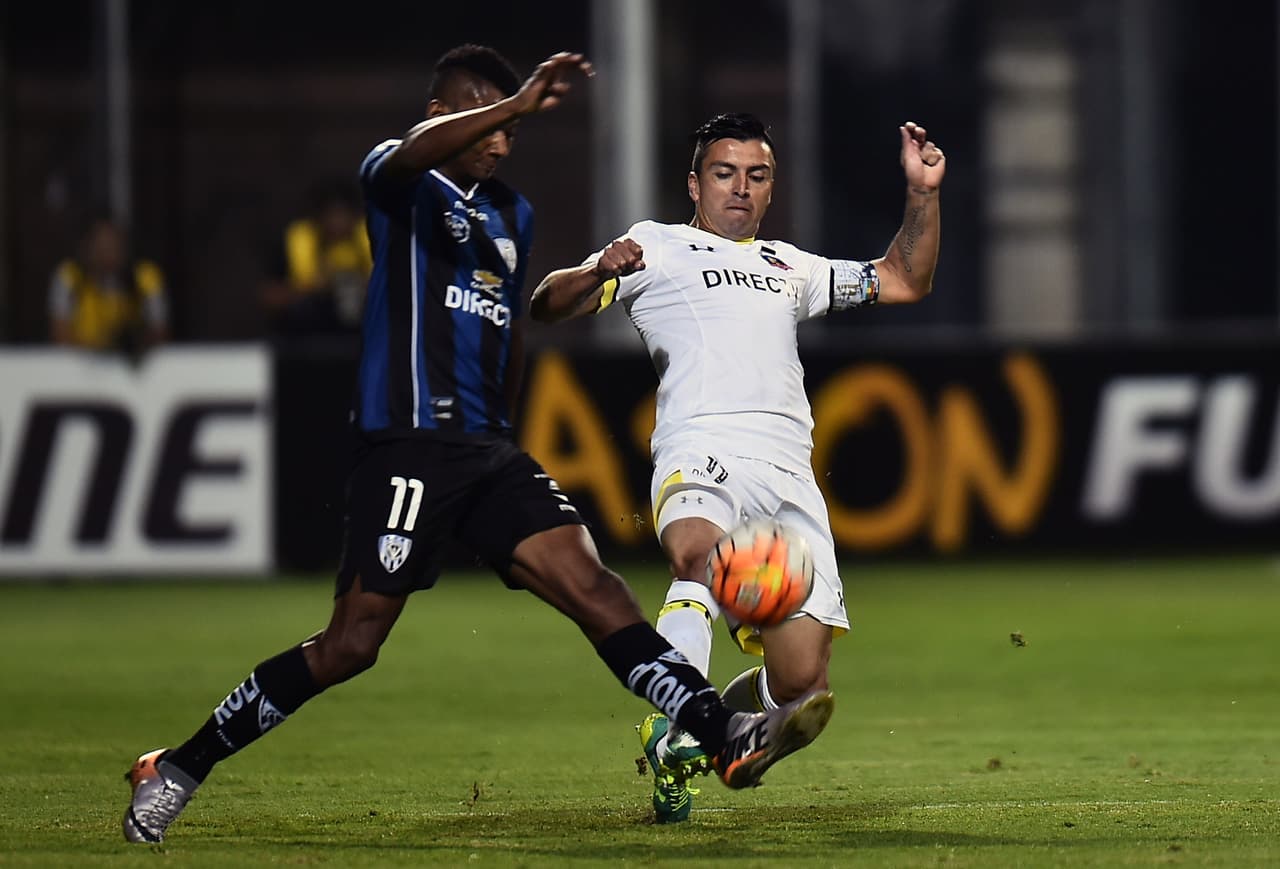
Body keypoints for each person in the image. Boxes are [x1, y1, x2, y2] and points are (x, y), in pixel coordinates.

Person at [121, 50, 834, 844]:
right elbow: (417, 152)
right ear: (440, 111)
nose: (500, 137)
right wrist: (520, 100)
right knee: (351, 643)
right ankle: (180, 765)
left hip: (488, 451)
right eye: (481, 114)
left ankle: (716, 730)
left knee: (598, 592)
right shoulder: (400, 181)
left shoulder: (510, 215)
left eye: (510, 122)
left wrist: (507, 429)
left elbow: (511, 328)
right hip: (408, 449)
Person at [530, 112, 944, 822]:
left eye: (756, 176)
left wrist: (923, 195)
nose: (740, 189)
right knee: (699, 554)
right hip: (702, 446)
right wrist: (600, 268)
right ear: (695, 183)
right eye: (725, 174)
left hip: (789, 476)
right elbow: (546, 305)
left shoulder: (791, 267)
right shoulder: (657, 246)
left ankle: (697, 743)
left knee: (804, 684)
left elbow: (903, 279)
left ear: (771, 187)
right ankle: (674, 713)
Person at [261, 182, 373, 336]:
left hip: (359, 339)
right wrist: (313, 288)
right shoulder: (296, 241)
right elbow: (270, 297)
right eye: (331, 215)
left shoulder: (371, 239)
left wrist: (359, 285)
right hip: (308, 339)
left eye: (342, 214)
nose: (337, 222)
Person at [48, 213, 170, 354]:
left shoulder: (146, 278)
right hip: (81, 364)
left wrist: (134, 345)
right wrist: (99, 349)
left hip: (133, 363)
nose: (107, 256)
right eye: (101, 248)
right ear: (86, 249)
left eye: (113, 247)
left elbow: (159, 332)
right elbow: (60, 335)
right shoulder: (69, 277)